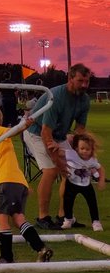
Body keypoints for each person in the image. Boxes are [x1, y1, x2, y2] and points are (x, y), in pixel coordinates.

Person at [0, 103, 53, 265]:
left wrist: (24, 124)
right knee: (18, 218)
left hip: (7, 183)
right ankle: (41, 249)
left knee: (2, 218)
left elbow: (12, 132)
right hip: (17, 183)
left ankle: (6, 257)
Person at [23, 63, 91, 230]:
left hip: (59, 135)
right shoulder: (56, 96)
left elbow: (80, 129)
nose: (84, 85)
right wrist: (58, 160)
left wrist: (79, 153)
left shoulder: (85, 100)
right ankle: (43, 217)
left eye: (87, 81)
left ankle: (64, 216)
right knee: (52, 170)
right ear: (70, 78)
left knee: (71, 172)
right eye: (80, 81)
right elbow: (46, 132)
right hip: (37, 133)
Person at [62, 132, 105, 231]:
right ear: (77, 148)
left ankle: (96, 221)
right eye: (82, 149)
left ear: (91, 150)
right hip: (71, 183)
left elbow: (101, 169)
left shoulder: (92, 160)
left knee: (92, 202)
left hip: (86, 184)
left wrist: (101, 180)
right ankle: (68, 219)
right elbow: (61, 153)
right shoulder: (71, 154)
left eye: (87, 149)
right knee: (67, 201)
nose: (84, 151)